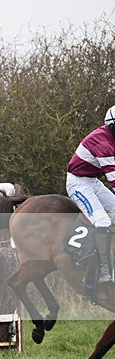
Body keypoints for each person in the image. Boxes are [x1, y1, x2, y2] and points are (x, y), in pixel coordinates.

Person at [66, 104, 115, 283]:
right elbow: (114, 180)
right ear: (111, 127)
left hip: (93, 181)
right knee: (102, 220)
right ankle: (103, 271)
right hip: (78, 183)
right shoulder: (103, 143)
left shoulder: (111, 137)